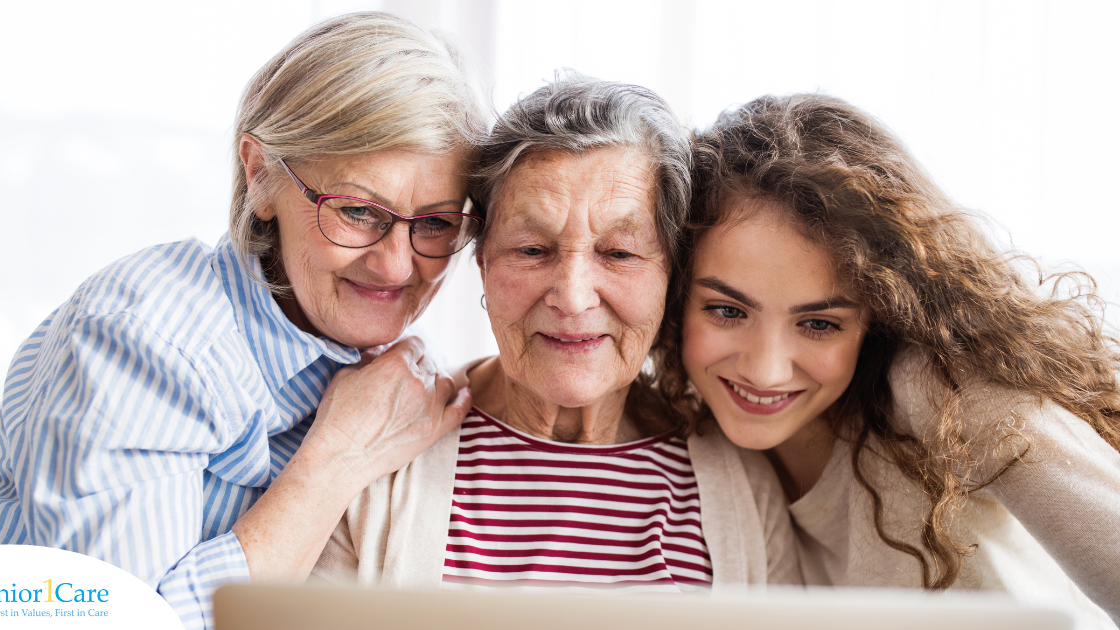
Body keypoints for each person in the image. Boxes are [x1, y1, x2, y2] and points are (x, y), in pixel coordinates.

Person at [0, 12, 487, 629]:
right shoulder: (144, 339)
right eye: (355, 211)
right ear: (262, 175)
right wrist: (336, 460)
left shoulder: (382, 366)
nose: (396, 264)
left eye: (435, 223)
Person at [310, 73, 799, 592]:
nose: (572, 296)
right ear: (482, 261)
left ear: (670, 273)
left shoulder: (743, 485)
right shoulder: (380, 451)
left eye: (619, 254)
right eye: (532, 250)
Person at [659, 93, 1120, 626]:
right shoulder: (689, 439)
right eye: (727, 310)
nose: (765, 369)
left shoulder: (941, 392)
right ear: (674, 296)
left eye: (818, 324)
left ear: (878, 315)